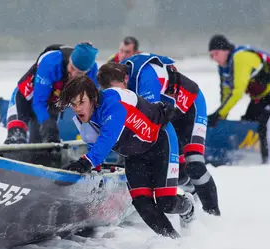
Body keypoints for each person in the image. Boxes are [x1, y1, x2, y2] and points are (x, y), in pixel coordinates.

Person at [58, 68, 195, 238]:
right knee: (142, 204)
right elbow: (95, 144)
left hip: (161, 141)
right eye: (73, 104)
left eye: (81, 102)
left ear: (93, 98)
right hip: (135, 155)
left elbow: (108, 137)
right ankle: (174, 242)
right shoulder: (85, 118)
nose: (77, 109)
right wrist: (94, 172)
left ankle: (188, 207)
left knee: (166, 203)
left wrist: (84, 163)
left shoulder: (113, 103)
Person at [120, 53, 221, 216]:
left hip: (190, 107)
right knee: (179, 173)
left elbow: (149, 120)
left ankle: (213, 215)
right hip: (168, 114)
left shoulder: (145, 76)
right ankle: (192, 198)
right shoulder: (114, 84)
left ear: (125, 78)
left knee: (194, 165)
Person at [207, 34, 270, 164]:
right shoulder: (223, 66)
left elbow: (237, 92)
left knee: (266, 124)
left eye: (216, 53)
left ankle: (269, 162)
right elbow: (226, 94)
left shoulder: (240, 58)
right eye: (211, 55)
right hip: (262, 96)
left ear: (226, 50)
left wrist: (218, 114)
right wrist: (221, 117)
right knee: (247, 121)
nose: (214, 58)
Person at [4, 42, 99, 144]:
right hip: (25, 98)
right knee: (17, 138)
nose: (74, 75)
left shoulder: (93, 72)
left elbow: (92, 104)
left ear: (88, 71)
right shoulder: (51, 63)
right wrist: (46, 123)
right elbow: (39, 102)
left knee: (46, 145)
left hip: (52, 103)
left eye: (80, 73)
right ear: (70, 60)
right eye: (72, 68)